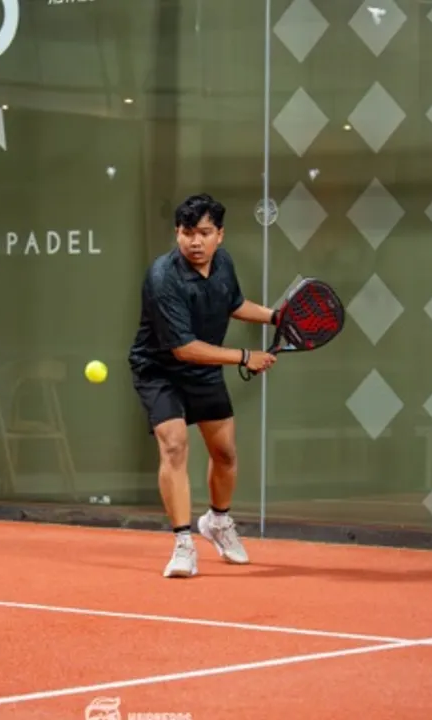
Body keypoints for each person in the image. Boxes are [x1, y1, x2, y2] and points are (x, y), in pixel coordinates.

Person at [128, 193, 278, 578]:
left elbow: (234, 304)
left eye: (205, 233)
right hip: (159, 370)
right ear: (177, 233)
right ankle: (183, 543)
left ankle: (218, 521)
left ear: (220, 235)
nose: (196, 242)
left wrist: (276, 317)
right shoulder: (162, 277)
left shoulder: (223, 263)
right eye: (187, 232)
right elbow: (183, 348)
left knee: (225, 454)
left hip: (204, 369)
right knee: (174, 444)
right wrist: (244, 356)